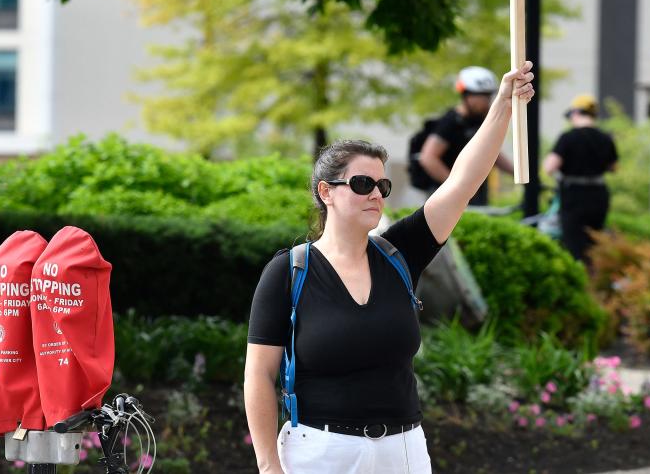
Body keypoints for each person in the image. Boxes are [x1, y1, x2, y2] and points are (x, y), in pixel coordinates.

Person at [244, 62, 535, 474]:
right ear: (326, 192)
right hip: (320, 453)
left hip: (404, 451)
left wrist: (503, 104)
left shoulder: (399, 254)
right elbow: (258, 375)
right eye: (362, 184)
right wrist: (269, 467)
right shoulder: (289, 271)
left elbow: (461, 182)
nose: (375, 194)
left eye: (382, 186)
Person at [418, 66, 514, 206]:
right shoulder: (450, 122)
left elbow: (492, 153)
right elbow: (428, 158)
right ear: (467, 95)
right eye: (483, 96)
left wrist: (517, 174)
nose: (487, 101)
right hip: (449, 199)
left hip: (474, 193)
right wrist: (456, 187)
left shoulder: (479, 120)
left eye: (489, 96)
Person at [543, 94, 618, 270]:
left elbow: (550, 167)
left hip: (573, 196)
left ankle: (579, 280)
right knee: (593, 242)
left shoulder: (568, 137)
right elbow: (613, 167)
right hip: (599, 195)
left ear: (575, 113)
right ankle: (594, 279)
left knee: (574, 246)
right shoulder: (605, 138)